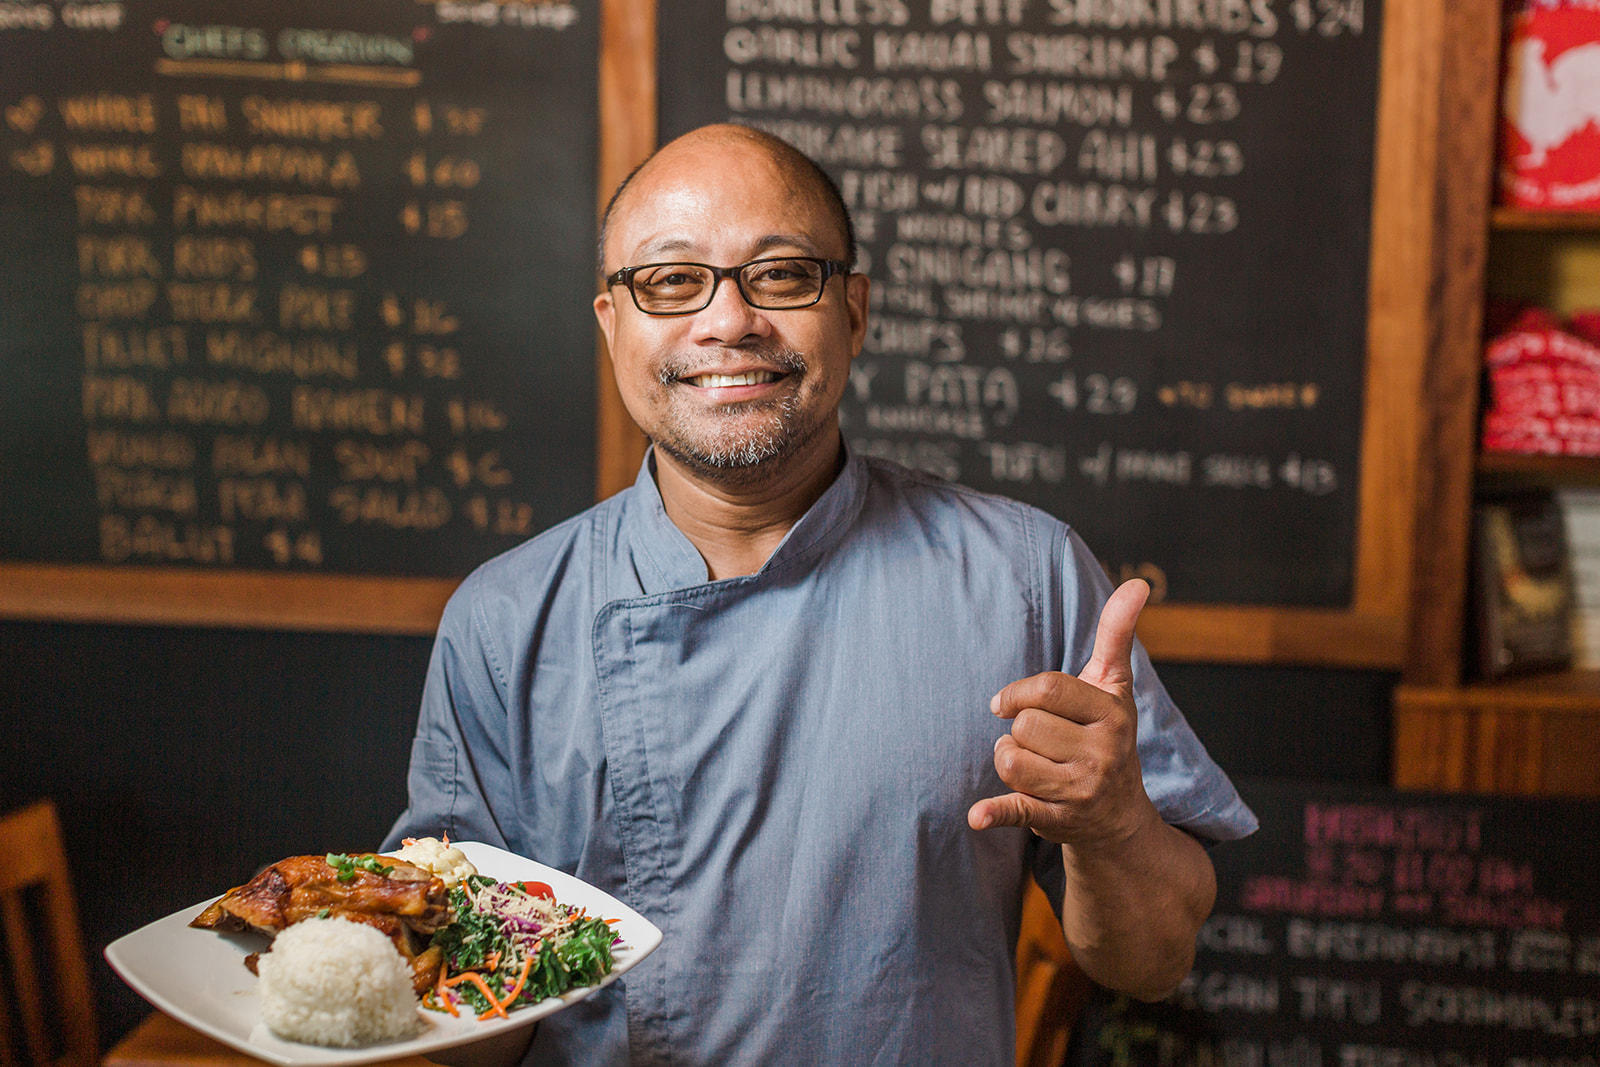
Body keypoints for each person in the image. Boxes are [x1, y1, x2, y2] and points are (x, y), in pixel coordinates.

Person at [385, 122, 1257, 1064]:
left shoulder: (1025, 577)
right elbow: (461, 1009)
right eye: (672, 281)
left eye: (782, 274)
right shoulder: (505, 618)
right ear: (612, 324)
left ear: (855, 311)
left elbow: (1153, 959)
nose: (728, 322)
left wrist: (1116, 825)